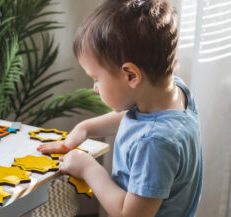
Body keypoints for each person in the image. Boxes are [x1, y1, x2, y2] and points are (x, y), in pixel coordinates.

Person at [37, 0, 203, 216]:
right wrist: (85, 128)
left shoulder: (154, 143)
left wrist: (89, 168)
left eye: (96, 78)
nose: (94, 88)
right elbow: (134, 117)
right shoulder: (173, 92)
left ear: (131, 76)